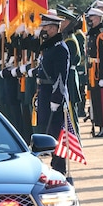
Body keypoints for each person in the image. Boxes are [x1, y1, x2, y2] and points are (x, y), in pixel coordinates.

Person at [33, 13, 70, 173]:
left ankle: (59, 165)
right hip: (45, 91)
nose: (44, 30)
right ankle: (54, 162)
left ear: (55, 28)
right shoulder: (49, 47)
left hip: (53, 94)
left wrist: (56, 98)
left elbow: (61, 76)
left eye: (46, 27)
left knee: (56, 130)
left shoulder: (60, 48)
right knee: (48, 129)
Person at [85, 7, 103, 137]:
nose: (89, 20)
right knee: (95, 100)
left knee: (102, 101)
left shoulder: (102, 35)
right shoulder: (93, 33)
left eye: (91, 18)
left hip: (99, 72)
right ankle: (98, 125)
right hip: (92, 71)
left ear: (97, 18)